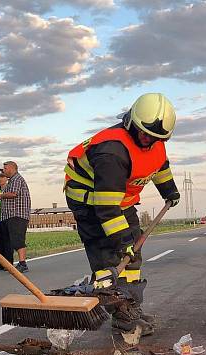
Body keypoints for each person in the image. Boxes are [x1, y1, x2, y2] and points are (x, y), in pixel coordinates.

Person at [64, 93, 181, 338]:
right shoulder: (112, 152)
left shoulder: (154, 141)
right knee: (110, 258)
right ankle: (121, 316)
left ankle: (131, 307)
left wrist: (169, 190)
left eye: (155, 138)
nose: (148, 140)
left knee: (133, 256)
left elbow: (159, 166)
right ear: (131, 122)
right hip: (91, 204)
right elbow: (106, 208)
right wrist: (122, 242)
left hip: (121, 200)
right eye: (144, 134)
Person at [0, 161, 30, 272]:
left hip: (17, 214)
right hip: (10, 215)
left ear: (11, 168)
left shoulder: (16, 179)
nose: (4, 170)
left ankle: (22, 263)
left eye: (5, 168)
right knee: (13, 240)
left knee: (18, 240)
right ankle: (14, 263)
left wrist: (0, 196)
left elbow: (13, 194)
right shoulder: (12, 180)